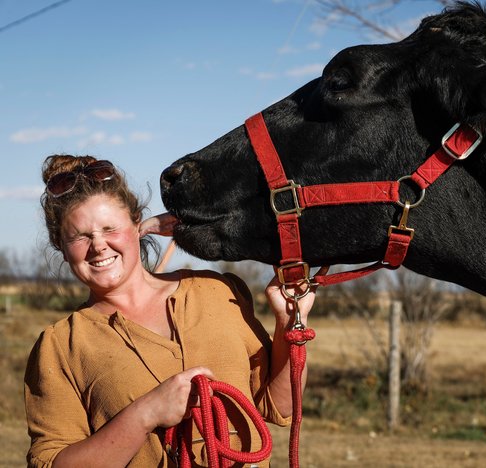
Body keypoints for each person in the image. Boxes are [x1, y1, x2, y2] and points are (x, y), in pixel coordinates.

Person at [24, 154, 323, 467]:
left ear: (136, 224)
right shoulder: (60, 346)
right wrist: (145, 414)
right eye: (80, 236)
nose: (98, 245)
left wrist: (290, 321)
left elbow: (278, 406)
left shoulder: (219, 291)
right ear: (61, 245)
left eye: (110, 228)